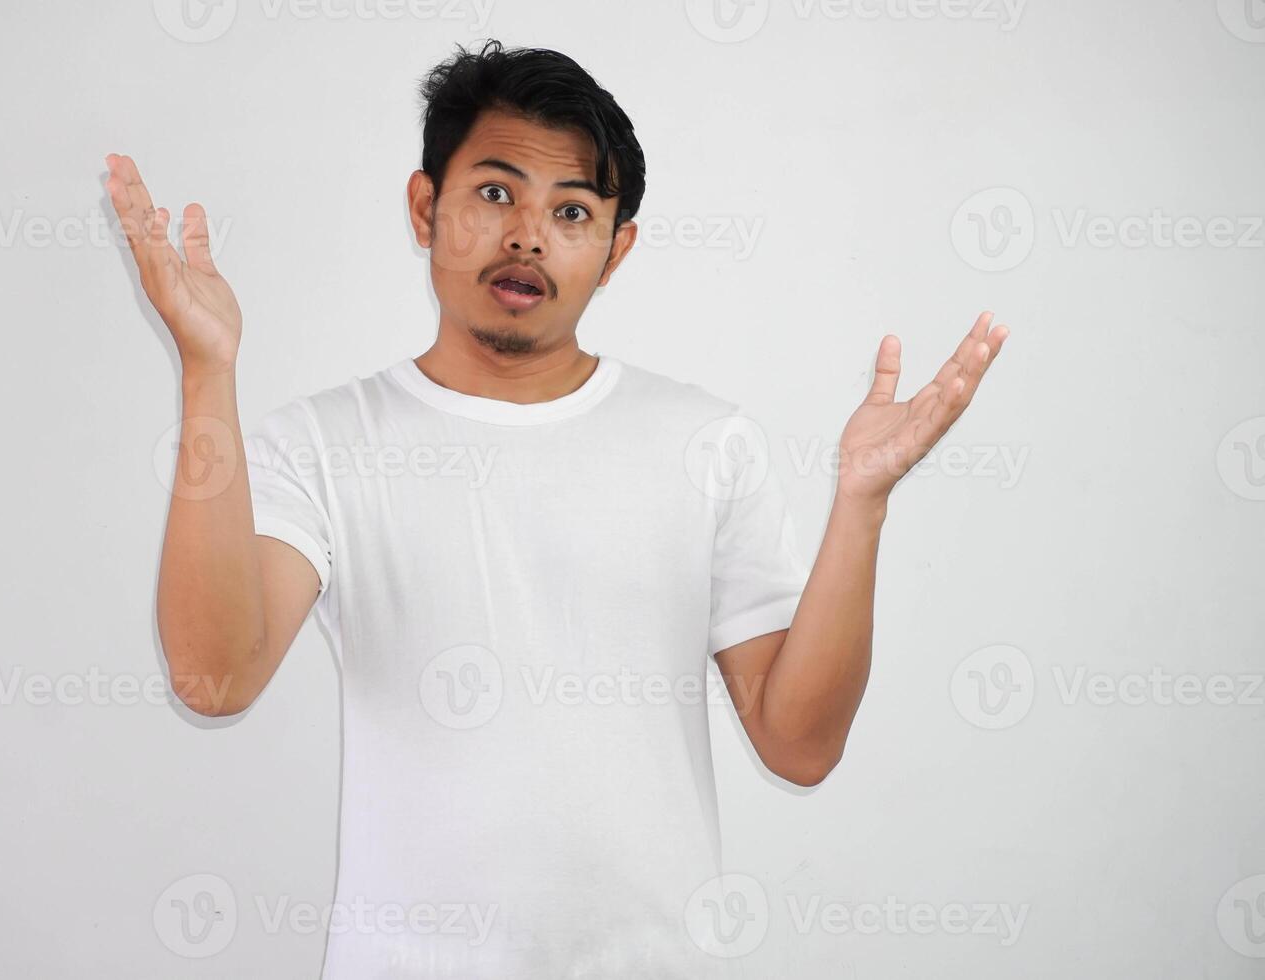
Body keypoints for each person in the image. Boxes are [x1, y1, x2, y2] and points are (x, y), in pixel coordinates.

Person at [104, 38, 1007, 980]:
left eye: (571, 211)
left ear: (616, 250)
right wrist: (208, 369)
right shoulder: (326, 443)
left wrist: (860, 507)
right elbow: (215, 677)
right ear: (427, 208)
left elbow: (800, 744)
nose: (528, 235)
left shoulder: (704, 442)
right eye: (495, 193)